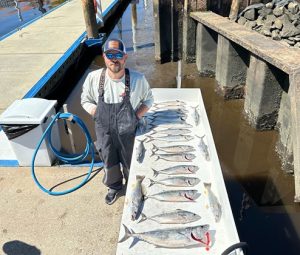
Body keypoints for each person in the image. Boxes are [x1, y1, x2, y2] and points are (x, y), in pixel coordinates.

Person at [81, 38, 153, 205]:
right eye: (110, 54)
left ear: (125, 58)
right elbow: (85, 100)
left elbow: (148, 100)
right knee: (109, 160)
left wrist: (136, 116)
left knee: (130, 161)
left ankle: (131, 186)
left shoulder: (137, 79)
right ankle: (113, 187)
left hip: (128, 132)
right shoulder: (93, 78)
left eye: (118, 54)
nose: (114, 59)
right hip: (104, 132)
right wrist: (96, 111)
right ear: (104, 57)